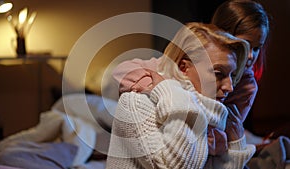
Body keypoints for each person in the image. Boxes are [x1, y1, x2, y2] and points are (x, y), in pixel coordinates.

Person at [111, 0, 270, 155]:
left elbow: (224, 135)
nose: (250, 55)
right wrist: (161, 88)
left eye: (257, 48)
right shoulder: (181, 64)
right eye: (245, 44)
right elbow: (121, 71)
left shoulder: (246, 88)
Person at [106, 22, 255, 169]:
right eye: (218, 73)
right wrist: (171, 91)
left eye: (232, 75)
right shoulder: (135, 104)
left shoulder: (211, 118)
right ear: (184, 68)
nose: (229, 87)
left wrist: (236, 145)